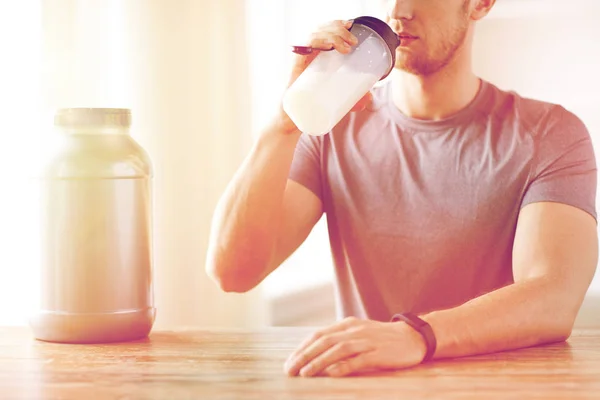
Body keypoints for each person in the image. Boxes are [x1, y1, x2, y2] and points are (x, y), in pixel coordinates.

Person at [206, 0, 598, 378]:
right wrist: (283, 124)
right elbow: (232, 272)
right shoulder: (331, 129)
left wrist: (413, 336)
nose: (399, 11)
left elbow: (552, 296)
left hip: (495, 385)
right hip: (369, 383)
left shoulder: (550, 134)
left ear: (480, 3)